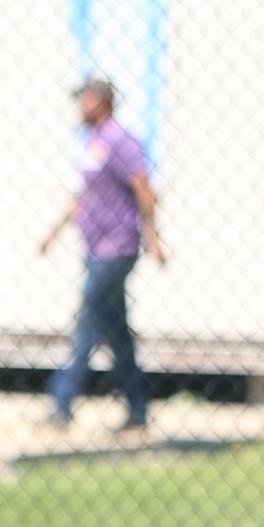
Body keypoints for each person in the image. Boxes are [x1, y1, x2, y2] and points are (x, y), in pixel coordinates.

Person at [36, 76, 167, 431]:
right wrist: (53, 233)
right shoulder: (93, 143)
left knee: (88, 322)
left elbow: (143, 187)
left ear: (102, 102)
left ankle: (61, 404)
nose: (79, 107)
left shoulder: (120, 140)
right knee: (117, 333)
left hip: (117, 246)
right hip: (95, 247)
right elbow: (84, 196)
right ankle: (137, 409)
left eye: (85, 100)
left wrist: (153, 235)